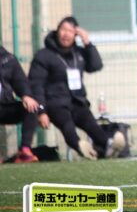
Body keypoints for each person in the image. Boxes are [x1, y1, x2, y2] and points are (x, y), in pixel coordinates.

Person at [28, 16, 125, 160]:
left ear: (76, 34)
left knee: (90, 123)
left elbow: (95, 65)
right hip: (55, 103)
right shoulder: (44, 55)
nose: (66, 34)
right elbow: (36, 84)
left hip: (77, 101)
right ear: (57, 31)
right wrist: (41, 111)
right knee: (67, 125)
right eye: (63, 29)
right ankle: (79, 145)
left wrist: (87, 42)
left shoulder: (78, 53)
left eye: (70, 31)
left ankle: (108, 146)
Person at [0, 45, 48, 163]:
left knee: (32, 107)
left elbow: (20, 81)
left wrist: (26, 95)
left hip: (4, 105)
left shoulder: (8, 59)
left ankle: (24, 151)